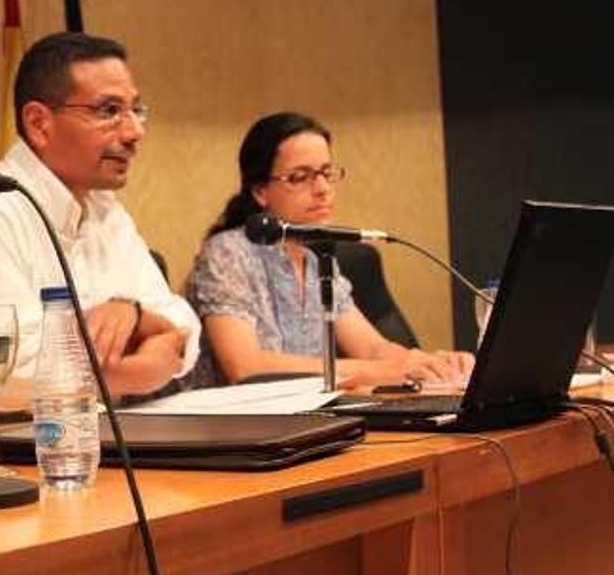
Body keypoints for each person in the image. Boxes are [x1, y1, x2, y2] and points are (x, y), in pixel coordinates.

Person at [0, 32, 200, 433]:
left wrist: (135, 317)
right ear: (38, 123)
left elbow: (184, 327)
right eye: (109, 110)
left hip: (75, 442)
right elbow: (7, 377)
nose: (134, 131)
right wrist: (135, 373)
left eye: (136, 109)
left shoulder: (106, 213)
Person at [183, 111, 473, 388]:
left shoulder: (315, 258)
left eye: (326, 172)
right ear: (260, 191)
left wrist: (431, 363)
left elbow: (372, 348)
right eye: (300, 177)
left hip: (305, 415)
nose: (322, 188)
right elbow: (246, 367)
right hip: (234, 419)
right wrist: (381, 371)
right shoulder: (227, 253)